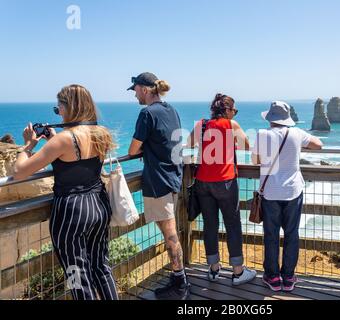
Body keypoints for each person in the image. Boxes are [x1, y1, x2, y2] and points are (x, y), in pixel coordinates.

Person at [13, 85, 118, 300]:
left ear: (69, 107)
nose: (58, 112)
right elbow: (77, 159)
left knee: (77, 274)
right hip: (98, 205)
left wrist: (27, 146)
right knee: (100, 266)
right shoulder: (101, 134)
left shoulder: (64, 140)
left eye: (58, 107)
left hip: (72, 213)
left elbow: (20, 172)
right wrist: (55, 138)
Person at [127, 72, 191, 300]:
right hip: (173, 177)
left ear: (144, 89)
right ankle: (179, 279)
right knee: (170, 232)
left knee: (170, 233)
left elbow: (133, 150)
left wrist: (144, 150)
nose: (135, 95)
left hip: (158, 181)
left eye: (135, 90)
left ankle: (180, 284)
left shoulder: (146, 114)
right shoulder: (171, 110)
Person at [251, 101, 323, 292]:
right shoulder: (297, 133)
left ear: (270, 118)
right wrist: (298, 148)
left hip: (271, 192)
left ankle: (273, 277)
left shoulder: (262, 135)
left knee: (271, 235)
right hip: (293, 191)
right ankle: (289, 277)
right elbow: (319, 145)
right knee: (291, 234)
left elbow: (256, 160)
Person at [187, 93, 257, 286]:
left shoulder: (201, 125)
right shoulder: (231, 125)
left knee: (210, 224)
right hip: (225, 182)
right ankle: (237, 272)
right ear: (226, 110)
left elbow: (188, 143)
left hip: (202, 182)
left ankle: (214, 269)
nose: (234, 114)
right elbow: (247, 145)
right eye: (234, 110)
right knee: (232, 225)